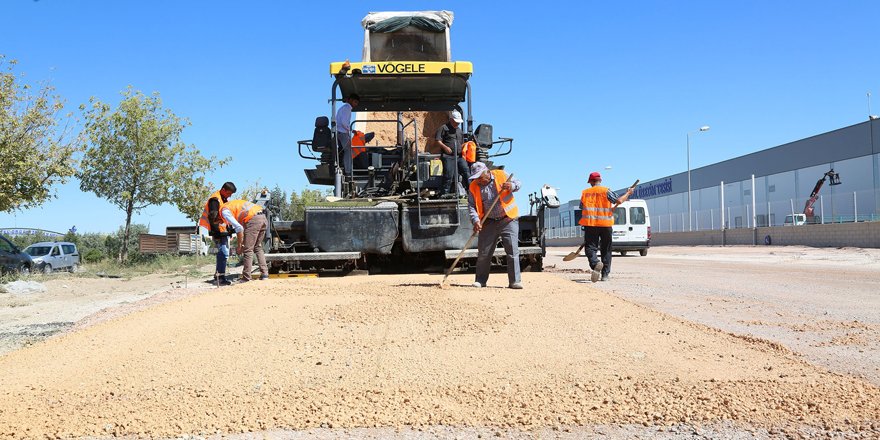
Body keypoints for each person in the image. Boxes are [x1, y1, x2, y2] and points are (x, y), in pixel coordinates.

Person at [466, 162, 523, 289]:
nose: (478, 180)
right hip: (488, 222)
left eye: (480, 177)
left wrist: (511, 186)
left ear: (487, 172)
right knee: (484, 253)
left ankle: (515, 281)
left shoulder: (501, 175)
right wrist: (476, 220)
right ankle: (480, 281)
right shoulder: (473, 186)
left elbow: (519, 183)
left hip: (508, 219)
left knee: (512, 251)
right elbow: (471, 205)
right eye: (476, 178)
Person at [579, 171, 633, 282]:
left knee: (590, 248)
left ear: (590, 182)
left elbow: (581, 207)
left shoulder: (585, 193)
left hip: (591, 225)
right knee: (606, 250)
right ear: (600, 180)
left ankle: (595, 263)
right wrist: (628, 193)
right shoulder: (606, 191)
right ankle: (605, 275)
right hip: (605, 225)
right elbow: (619, 200)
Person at [221, 199, 269, 282]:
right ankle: (264, 274)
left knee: (247, 250)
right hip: (263, 218)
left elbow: (239, 228)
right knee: (257, 247)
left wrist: (240, 246)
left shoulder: (224, 211)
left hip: (253, 220)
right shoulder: (235, 204)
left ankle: (246, 277)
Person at [198, 182, 236, 286]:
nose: (230, 195)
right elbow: (213, 217)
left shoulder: (223, 199)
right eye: (229, 193)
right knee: (223, 253)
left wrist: (230, 231)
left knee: (223, 253)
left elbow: (226, 217)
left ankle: (219, 276)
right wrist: (216, 234)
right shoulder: (215, 200)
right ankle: (220, 277)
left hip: (223, 231)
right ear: (223, 190)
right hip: (218, 232)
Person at [435, 110, 470, 196]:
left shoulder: (459, 130)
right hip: (448, 156)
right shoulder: (443, 128)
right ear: (451, 120)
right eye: (456, 122)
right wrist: (445, 147)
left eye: (458, 122)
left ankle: (471, 192)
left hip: (459, 156)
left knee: (466, 171)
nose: (457, 124)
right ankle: (444, 194)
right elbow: (438, 140)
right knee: (448, 175)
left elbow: (461, 142)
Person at [336, 93, 360, 177]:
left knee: (345, 150)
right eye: (355, 102)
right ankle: (348, 171)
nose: (355, 104)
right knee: (348, 150)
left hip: (340, 132)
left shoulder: (343, 108)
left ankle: (345, 167)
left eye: (357, 103)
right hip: (342, 133)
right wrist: (351, 130)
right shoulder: (347, 108)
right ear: (350, 100)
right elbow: (344, 123)